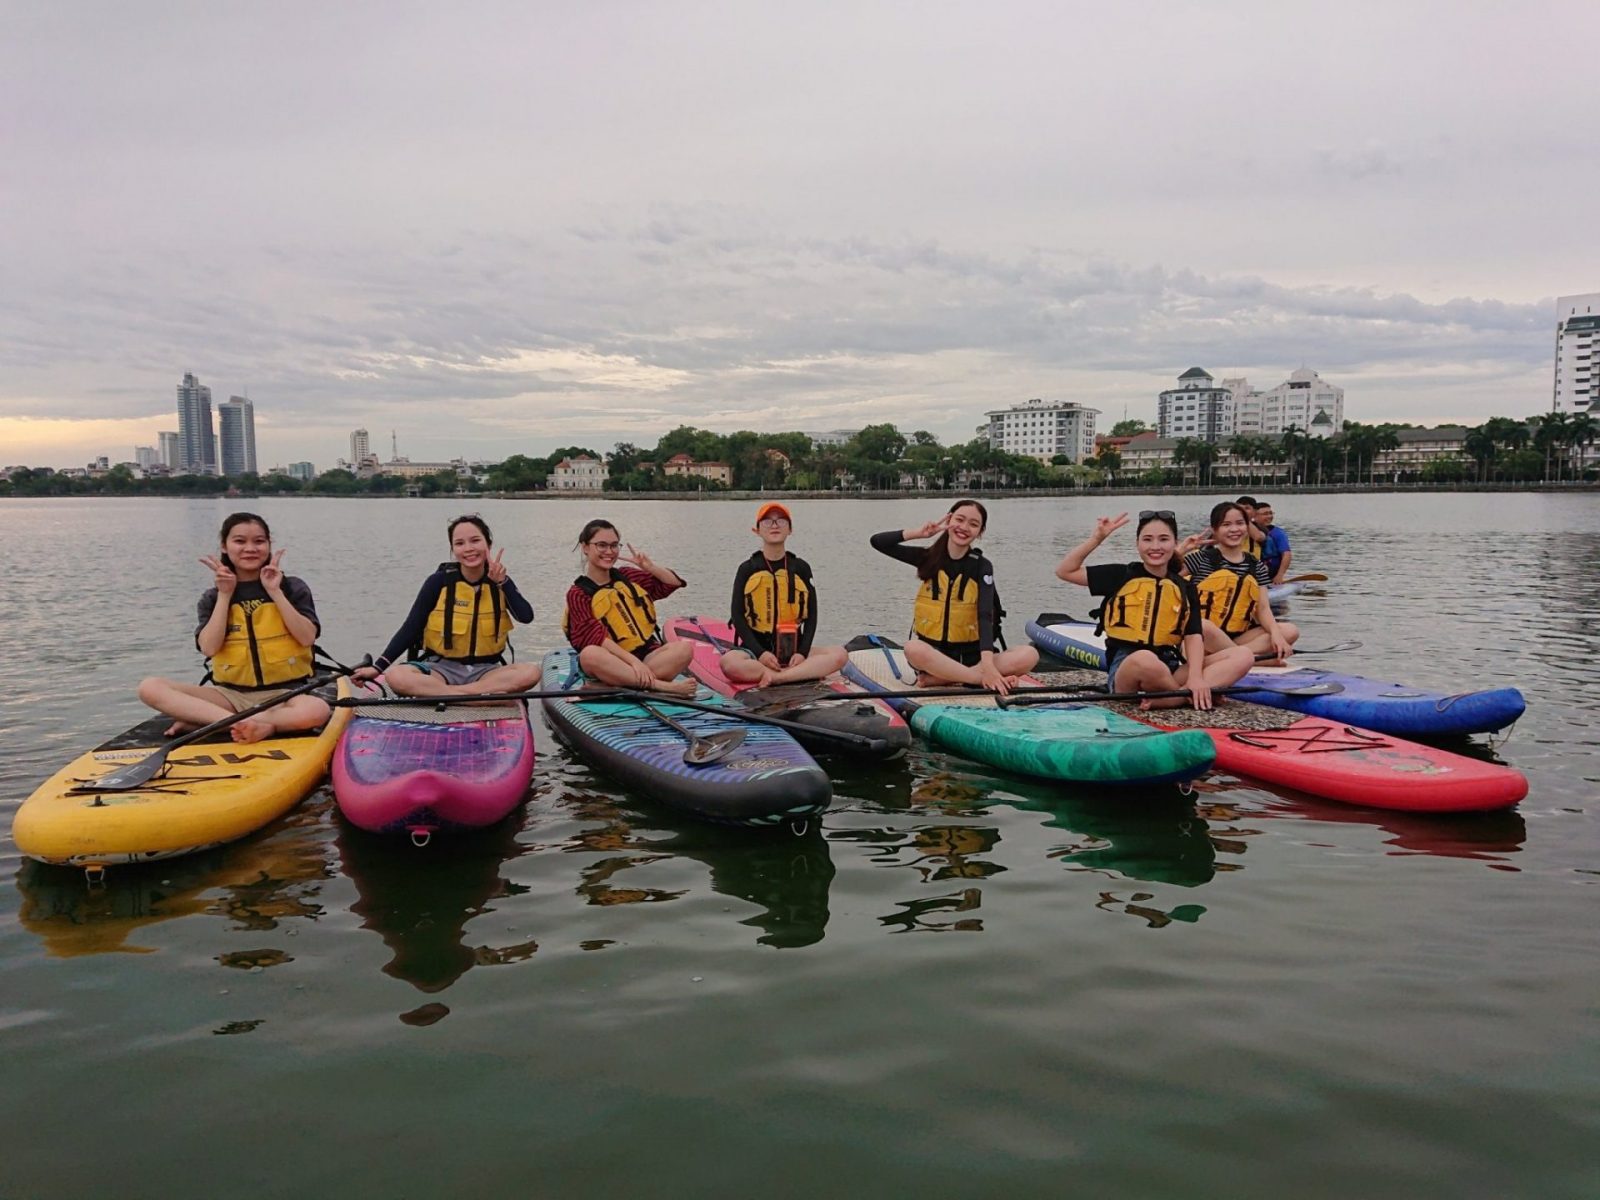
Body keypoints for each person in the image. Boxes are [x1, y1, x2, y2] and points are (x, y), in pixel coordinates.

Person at [137, 512, 332, 743]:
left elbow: (307, 637)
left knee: (317, 710)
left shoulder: (292, 588)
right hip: (229, 695)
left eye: (259, 541)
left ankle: (216, 722)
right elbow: (209, 648)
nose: (250, 548)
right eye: (240, 541)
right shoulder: (212, 597)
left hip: (286, 695)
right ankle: (244, 723)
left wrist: (274, 591)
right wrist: (225, 595)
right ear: (224, 546)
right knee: (149, 687)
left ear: (269, 545)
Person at [1054, 510, 1253, 710]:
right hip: (1128, 670)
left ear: (1175, 544)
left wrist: (1195, 677)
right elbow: (1065, 571)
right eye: (1147, 540)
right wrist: (1096, 539)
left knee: (1243, 655)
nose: (1155, 547)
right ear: (1138, 544)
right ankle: (1180, 696)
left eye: (1164, 539)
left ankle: (1179, 695)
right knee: (1145, 658)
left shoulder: (1184, 587)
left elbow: (1193, 635)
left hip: (1170, 665)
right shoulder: (1120, 575)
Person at [356, 515, 540, 697]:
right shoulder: (438, 582)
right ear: (453, 549)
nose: (468, 549)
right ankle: (474, 698)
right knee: (397, 676)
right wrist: (377, 667)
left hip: (487, 672)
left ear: (488, 544)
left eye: (475, 540)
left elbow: (525, 616)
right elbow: (411, 628)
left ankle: (449, 696)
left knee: (531, 672)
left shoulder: (500, 582)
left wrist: (503, 582)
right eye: (460, 543)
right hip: (440, 670)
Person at [869, 499, 1038, 694]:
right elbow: (878, 542)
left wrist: (988, 664)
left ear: (980, 532)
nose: (964, 528)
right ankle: (977, 678)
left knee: (1029, 655)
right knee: (913, 648)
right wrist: (920, 533)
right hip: (935, 657)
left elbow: (985, 616)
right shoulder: (927, 557)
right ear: (949, 520)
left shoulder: (982, 566)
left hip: (973, 656)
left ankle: (945, 679)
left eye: (973, 524)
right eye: (960, 519)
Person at [564, 519, 695, 696]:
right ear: (585, 547)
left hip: (647, 657)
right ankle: (660, 686)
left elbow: (673, 583)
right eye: (601, 545)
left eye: (614, 545)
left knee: (684, 649)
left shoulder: (627, 576)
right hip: (610, 661)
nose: (609, 552)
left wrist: (650, 567)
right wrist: (634, 663)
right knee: (589, 654)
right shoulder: (578, 593)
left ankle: (616, 685)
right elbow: (596, 637)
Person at [721, 502, 847, 687]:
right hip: (756, 651)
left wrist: (802, 653)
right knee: (729, 663)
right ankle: (796, 674)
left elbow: (812, 616)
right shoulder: (747, 569)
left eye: (781, 521)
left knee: (840, 655)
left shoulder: (801, 568)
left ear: (790, 530)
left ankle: (779, 677)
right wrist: (761, 654)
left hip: (794, 650)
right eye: (767, 521)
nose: (774, 525)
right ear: (756, 530)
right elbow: (738, 616)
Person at [1184, 501, 1298, 664]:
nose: (1234, 529)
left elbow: (1263, 609)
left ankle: (1226, 657)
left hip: (1239, 635)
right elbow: (1161, 576)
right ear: (1215, 530)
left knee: (1289, 631)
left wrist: (1277, 636)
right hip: (1203, 636)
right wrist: (1181, 550)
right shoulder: (1201, 558)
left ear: (1247, 527)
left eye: (1240, 523)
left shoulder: (1256, 565)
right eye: (1226, 524)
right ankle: (1253, 659)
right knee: (1202, 625)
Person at [1252, 500, 1293, 583]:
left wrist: (1279, 575)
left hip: (1269, 570)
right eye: (1265, 514)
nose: (1269, 516)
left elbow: (1286, 554)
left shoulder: (1278, 533)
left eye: (1270, 513)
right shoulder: (1245, 529)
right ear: (1254, 516)